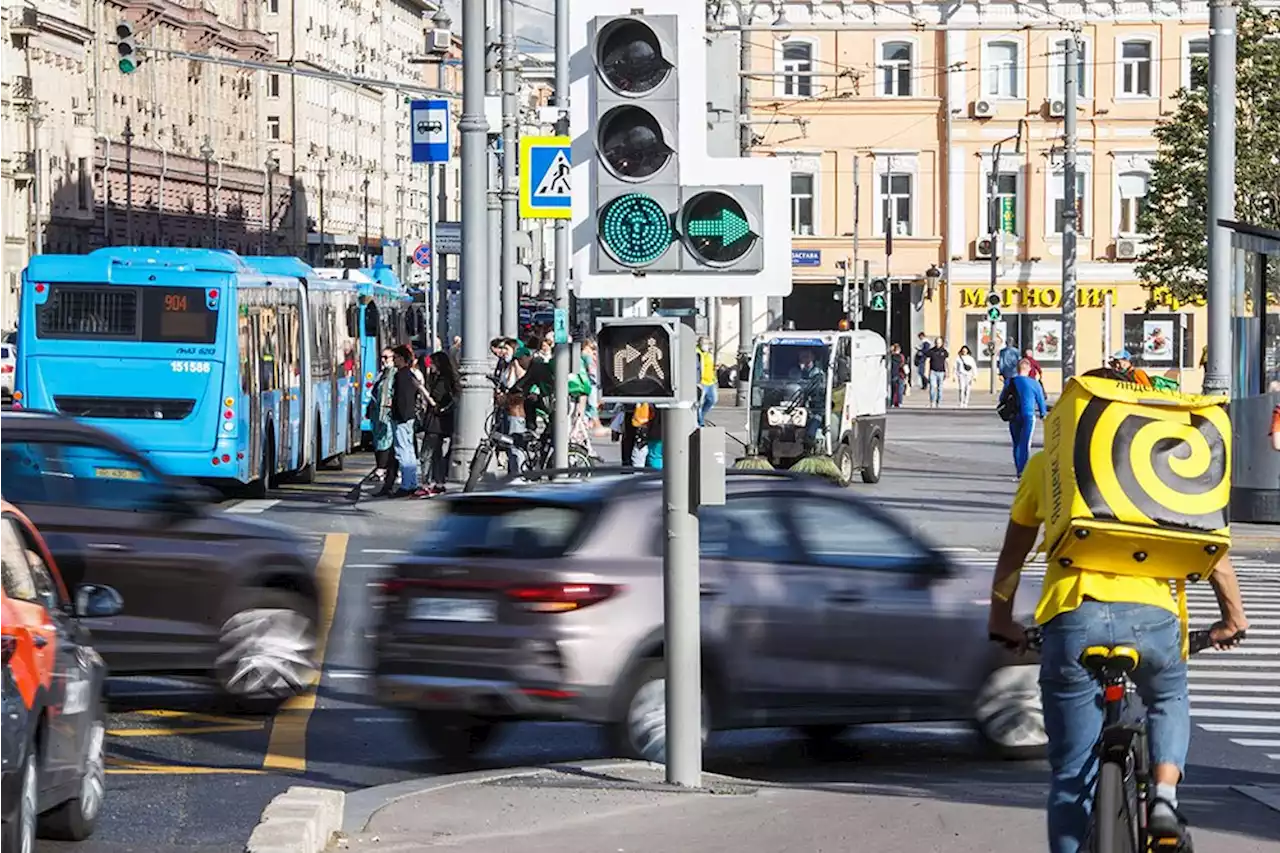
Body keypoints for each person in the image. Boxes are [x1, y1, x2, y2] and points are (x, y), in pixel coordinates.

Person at [988, 396, 1250, 853]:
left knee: (1071, 775)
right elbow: (1212, 550)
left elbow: (1012, 555)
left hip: (1073, 616)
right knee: (1168, 694)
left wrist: (1001, 620)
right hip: (1153, 619)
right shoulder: (1161, 462)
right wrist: (1232, 618)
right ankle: (1165, 797)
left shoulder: (1048, 463)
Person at [414, 350, 459, 497]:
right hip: (441, 422)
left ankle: (426, 484)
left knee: (426, 454)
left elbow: (435, 399)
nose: (430, 366)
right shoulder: (446, 379)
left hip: (435, 422)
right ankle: (439, 483)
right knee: (437, 454)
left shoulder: (442, 381)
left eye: (432, 363)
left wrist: (422, 389)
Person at [1003, 358, 1047, 476]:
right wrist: (1043, 414)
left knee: (1016, 443)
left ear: (1017, 369)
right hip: (1028, 415)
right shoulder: (1034, 383)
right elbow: (1041, 401)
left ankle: (1019, 469)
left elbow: (1002, 398)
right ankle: (1024, 470)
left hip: (1013, 415)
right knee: (1025, 443)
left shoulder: (1009, 382)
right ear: (1029, 369)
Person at [389, 345, 423, 496]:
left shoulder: (400, 376)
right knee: (409, 450)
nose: (393, 360)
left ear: (401, 359)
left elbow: (401, 398)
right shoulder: (410, 374)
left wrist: (398, 414)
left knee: (402, 450)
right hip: (409, 416)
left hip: (402, 418)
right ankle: (412, 482)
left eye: (395, 357)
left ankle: (406, 485)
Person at [366, 348, 399, 496]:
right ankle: (383, 472)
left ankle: (383, 470)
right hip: (377, 415)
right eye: (382, 357)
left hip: (387, 415)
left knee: (387, 443)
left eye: (387, 357)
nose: (383, 360)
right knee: (379, 442)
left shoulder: (394, 374)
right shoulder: (382, 374)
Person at [696, 336, 717, 427]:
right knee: (699, 403)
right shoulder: (697, 353)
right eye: (703, 343)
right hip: (701, 382)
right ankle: (700, 422)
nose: (705, 346)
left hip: (710, 381)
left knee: (712, 400)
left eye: (707, 344)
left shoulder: (709, 354)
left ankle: (701, 416)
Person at [926, 337, 949, 407]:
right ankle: (932, 402)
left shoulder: (944, 352)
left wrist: (947, 372)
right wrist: (926, 371)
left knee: (940, 388)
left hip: (941, 372)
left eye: (939, 342)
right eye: (936, 342)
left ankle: (938, 402)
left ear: (941, 343)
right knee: (932, 387)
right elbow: (927, 361)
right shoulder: (931, 351)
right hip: (933, 371)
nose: (937, 344)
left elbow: (946, 362)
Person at [888, 343, 906, 408]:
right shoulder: (901, 357)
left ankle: (892, 403)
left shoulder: (891, 357)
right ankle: (900, 402)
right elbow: (905, 366)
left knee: (893, 390)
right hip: (901, 375)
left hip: (893, 374)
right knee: (900, 390)